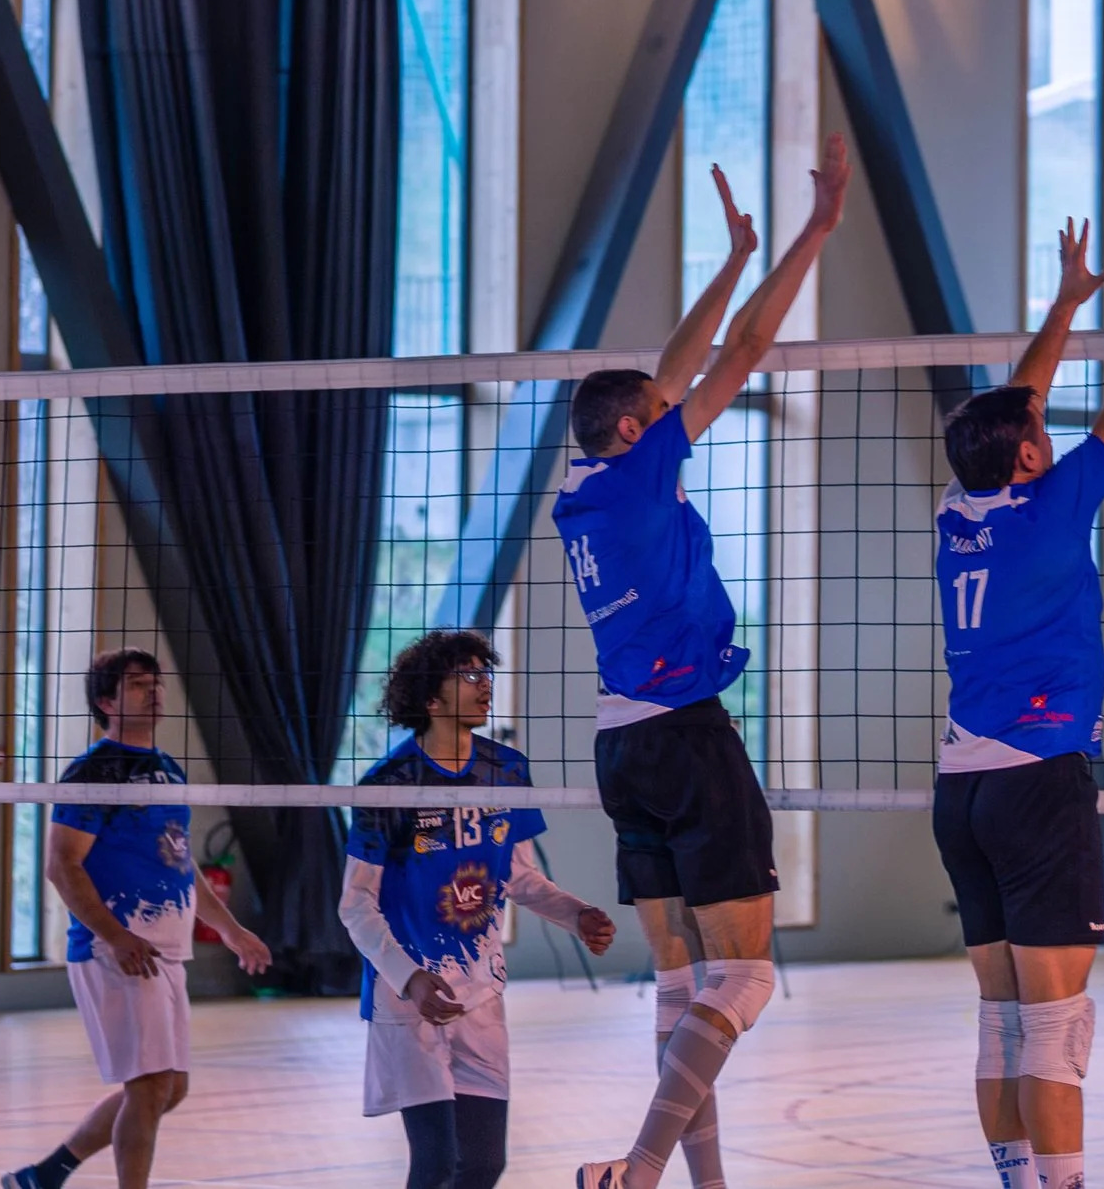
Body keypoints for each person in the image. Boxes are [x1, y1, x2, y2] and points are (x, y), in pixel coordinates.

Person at [564, 137, 848, 1189]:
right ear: (637, 431)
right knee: (747, 975)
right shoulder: (642, 475)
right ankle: (639, 1168)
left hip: (620, 744)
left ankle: (704, 1184)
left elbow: (671, 365)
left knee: (679, 987)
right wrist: (813, 231)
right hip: (684, 735)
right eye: (658, 410)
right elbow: (739, 352)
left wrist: (730, 256)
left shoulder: (584, 488)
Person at [932, 186, 1104, 1189]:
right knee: (1052, 1025)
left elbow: (1010, 412)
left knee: (1004, 1018)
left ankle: (1014, 1174)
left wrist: (1065, 302)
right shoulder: (1051, 507)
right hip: (1038, 783)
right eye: (1037, 432)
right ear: (1034, 460)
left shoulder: (961, 507)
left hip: (962, 790)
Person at [341, 630, 619, 1189]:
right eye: (468, 676)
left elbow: (517, 874)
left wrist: (577, 913)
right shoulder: (388, 787)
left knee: (484, 1165)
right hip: (412, 999)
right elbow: (355, 906)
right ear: (431, 700)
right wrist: (409, 979)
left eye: (485, 673)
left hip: (481, 993)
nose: (484, 684)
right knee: (438, 1163)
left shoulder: (507, 770)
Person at [4, 650, 271, 1189]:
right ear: (106, 702)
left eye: (157, 683)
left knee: (168, 1089)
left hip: (164, 948)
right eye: (138, 685)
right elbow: (61, 864)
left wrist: (228, 927)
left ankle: (46, 1174)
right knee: (149, 1086)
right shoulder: (93, 771)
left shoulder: (167, 768)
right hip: (117, 951)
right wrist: (116, 935)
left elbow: (179, 861)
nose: (155, 692)